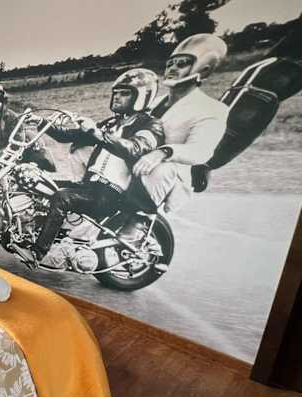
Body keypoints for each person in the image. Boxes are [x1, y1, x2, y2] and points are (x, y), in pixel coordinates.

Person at [30, 68, 165, 266]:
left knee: (62, 197)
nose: (117, 97)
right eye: (115, 92)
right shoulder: (111, 124)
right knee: (41, 184)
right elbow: (68, 135)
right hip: (92, 186)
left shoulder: (151, 125)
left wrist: (96, 132)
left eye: (124, 93)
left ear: (143, 96)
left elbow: (135, 149)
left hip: (112, 195)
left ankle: (38, 253)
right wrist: (41, 122)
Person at [131, 33, 229, 213]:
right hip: (134, 166)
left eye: (182, 63)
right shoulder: (152, 102)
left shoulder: (212, 109)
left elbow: (200, 151)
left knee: (164, 170)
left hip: (169, 176)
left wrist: (163, 152)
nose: (172, 68)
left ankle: (138, 220)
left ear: (203, 70)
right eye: (170, 64)